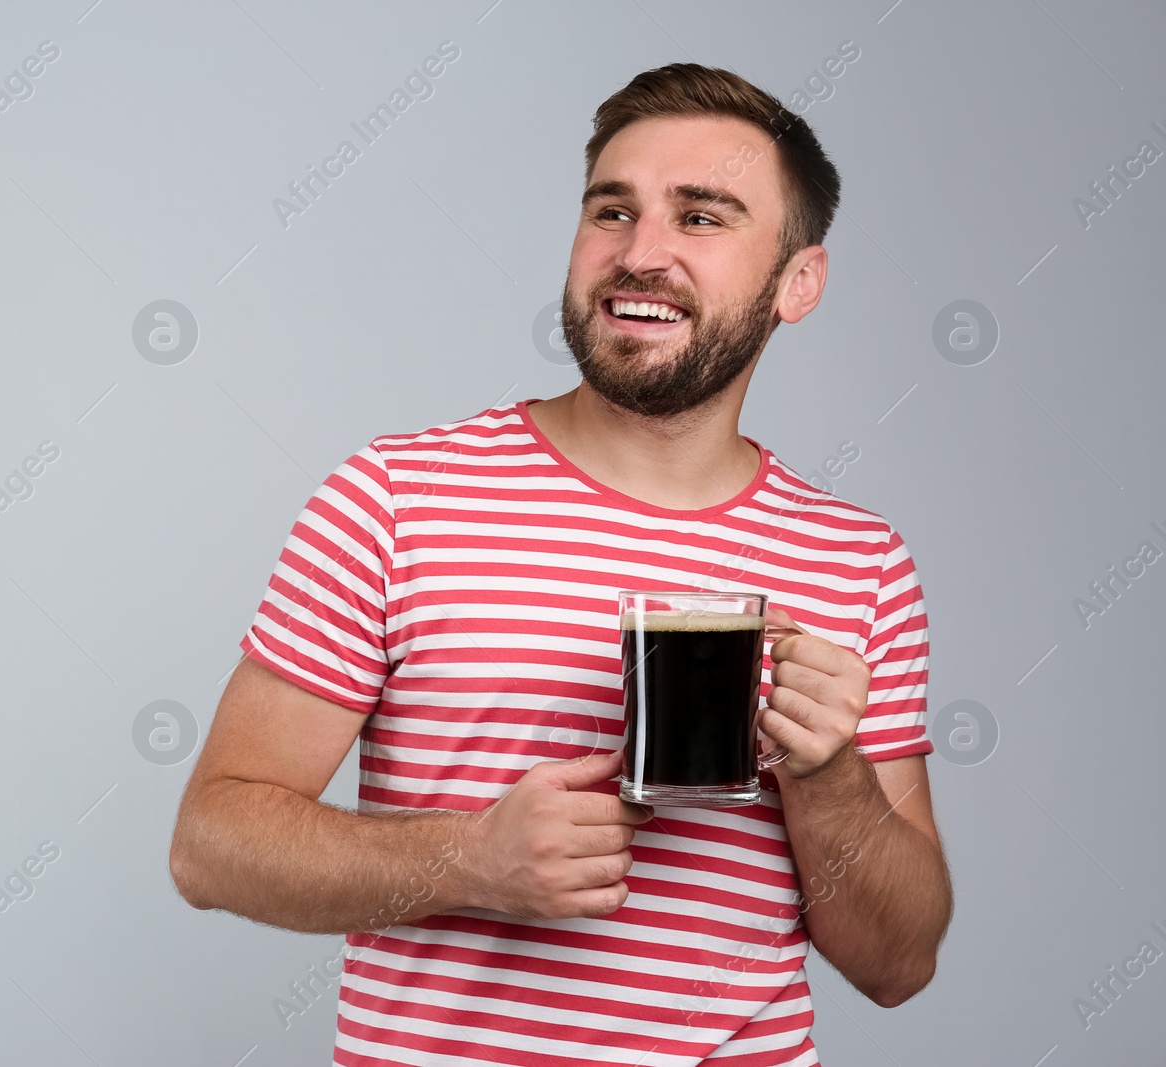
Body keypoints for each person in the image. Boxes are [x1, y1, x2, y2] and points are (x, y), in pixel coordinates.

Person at [170, 61, 953, 1066]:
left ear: (797, 281)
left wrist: (827, 770)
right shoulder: (395, 499)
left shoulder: (860, 561)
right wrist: (468, 859)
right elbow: (211, 844)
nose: (642, 253)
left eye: (702, 217)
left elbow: (898, 962)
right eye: (611, 211)